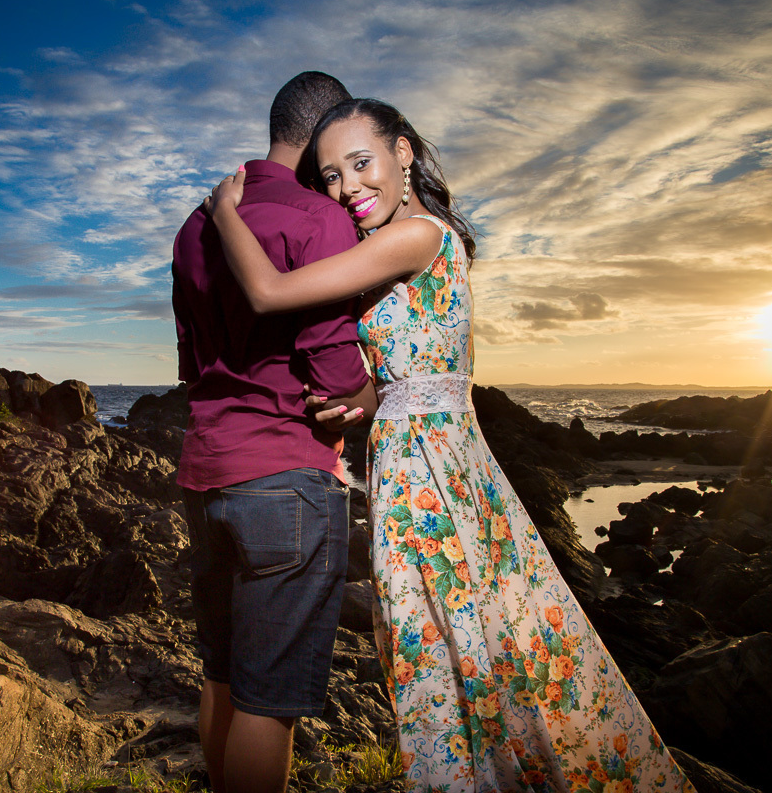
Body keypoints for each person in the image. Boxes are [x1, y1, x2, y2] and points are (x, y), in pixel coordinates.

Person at [207, 98, 694, 792]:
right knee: (459, 656)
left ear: (404, 154)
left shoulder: (419, 236)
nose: (347, 188)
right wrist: (363, 403)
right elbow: (438, 373)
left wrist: (225, 211)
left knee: (458, 654)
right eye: (330, 175)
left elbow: (268, 293)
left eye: (361, 163)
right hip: (429, 474)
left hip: (433, 485)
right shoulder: (408, 244)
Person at [171, 72, 376, 793]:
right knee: (270, 702)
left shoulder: (197, 225)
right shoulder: (319, 219)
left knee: (222, 677)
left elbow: (192, 362)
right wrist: (371, 386)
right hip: (287, 478)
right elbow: (335, 371)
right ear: (325, 135)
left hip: (206, 474)